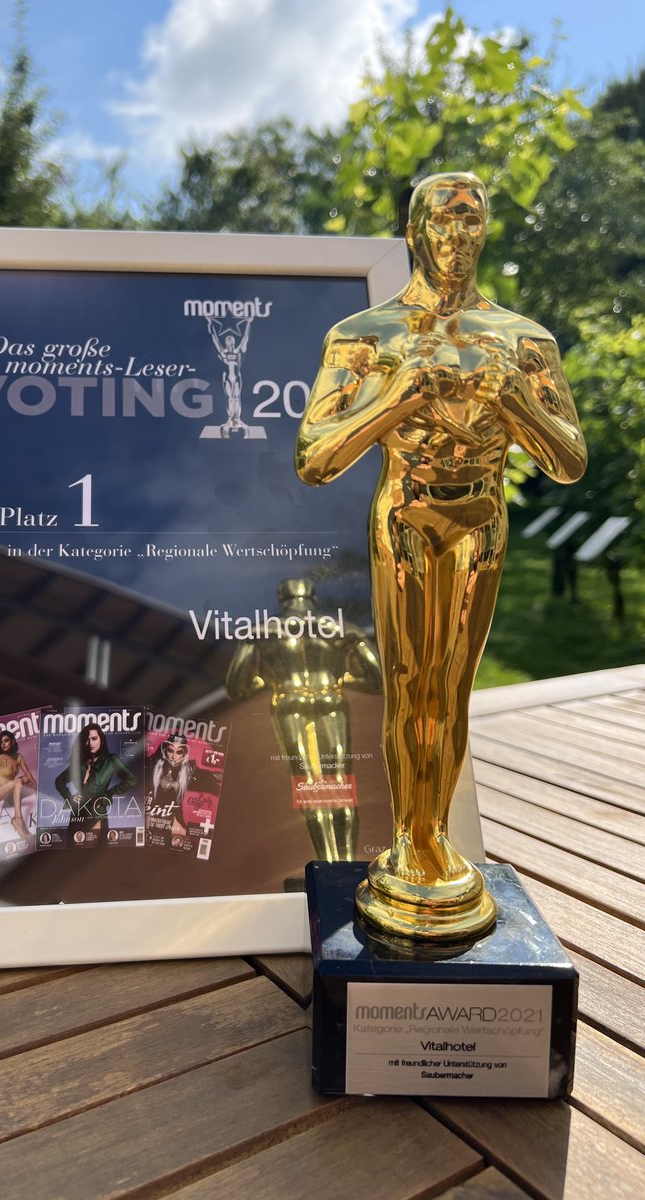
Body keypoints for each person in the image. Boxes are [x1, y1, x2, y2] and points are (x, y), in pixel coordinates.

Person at [296, 172, 586, 936]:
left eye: (470, 220)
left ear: (486, 231)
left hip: (480, 517)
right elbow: (315, 458)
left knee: (452, 686)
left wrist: (513, 400)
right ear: (414, 231)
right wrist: (400, 397)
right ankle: (407, 840)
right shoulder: (365, 335)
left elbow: (568, 460)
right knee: (406, 682)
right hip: (406, 512)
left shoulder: (523, 340)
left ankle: (436, 841)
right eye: (442, 220)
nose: (457, 236)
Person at [226, 578, 381, 862]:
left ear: (282, 599)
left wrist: (266, 681)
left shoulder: (261, 631)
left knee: (308, 785)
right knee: (339, 784)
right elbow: (376, 679)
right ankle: (346, 862)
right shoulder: (345, 629)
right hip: (331, 699)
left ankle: (326, 862)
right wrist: (342, 679)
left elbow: (236, 687)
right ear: (313, 597)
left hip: (290, 701)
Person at [54, 723, 136, 843]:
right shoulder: (79, 763)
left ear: (101, 740)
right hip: (77, 814)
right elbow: (59, 781)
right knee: (73, 850)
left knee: (92, 849)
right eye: (87, 740)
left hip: (96, 813)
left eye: (94, 738)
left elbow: (131, 779)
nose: (90, 743)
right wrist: (69, 796)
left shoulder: (111, 760)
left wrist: (109, 793)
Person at [0, 729, 36, 839]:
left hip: (10, 786)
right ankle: (18, 819)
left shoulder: (18, 757)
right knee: (19, 781)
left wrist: (35, 786)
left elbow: (28, 773)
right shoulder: (1, 758)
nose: (3, 744)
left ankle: (17, 816)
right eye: (1, 742)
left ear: (12, 741)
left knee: (25, 779)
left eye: (6, 741)